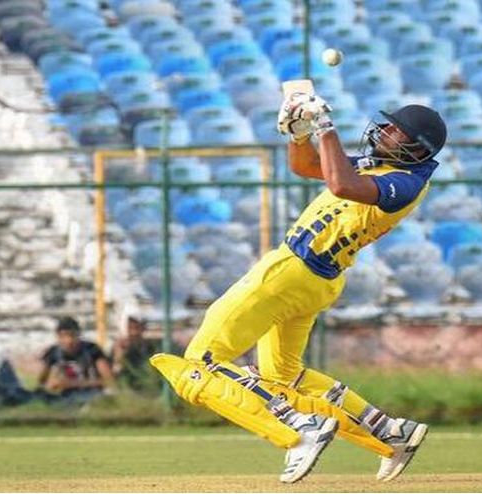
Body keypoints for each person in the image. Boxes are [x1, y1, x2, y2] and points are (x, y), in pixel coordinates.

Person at [150, 93, 447, 483]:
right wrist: (299, 132)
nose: (385, 131)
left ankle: (299, 428)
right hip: (315, 278)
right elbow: (307, 166)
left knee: (200, 362)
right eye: (389, 124)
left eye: (397, 131)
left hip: (291, 270)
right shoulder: (384, 165)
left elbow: (340, 185)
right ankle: (389, 432)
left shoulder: (405, 183)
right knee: (282, 377)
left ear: (417, 148)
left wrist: (325, 126)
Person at [38, 317, 115, 404]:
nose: (69, 341)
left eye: (72, 335)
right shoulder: (54, 352)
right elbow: (41, 382)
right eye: (63, 336)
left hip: (92, 394)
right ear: (58, 337)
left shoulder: (92, 349)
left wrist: (71, 384)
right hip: (66, 396)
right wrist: (51, 384)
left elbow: (109, 380)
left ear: (79, 335)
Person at [112, 316, 160, 393]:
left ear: (142, 329)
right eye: (130, 328)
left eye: (136, 328)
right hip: (127, 386)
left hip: (146, 385)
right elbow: (116, 367)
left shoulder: (150, 346)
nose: (133, 332)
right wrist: (120, 351)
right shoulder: (121, 346)